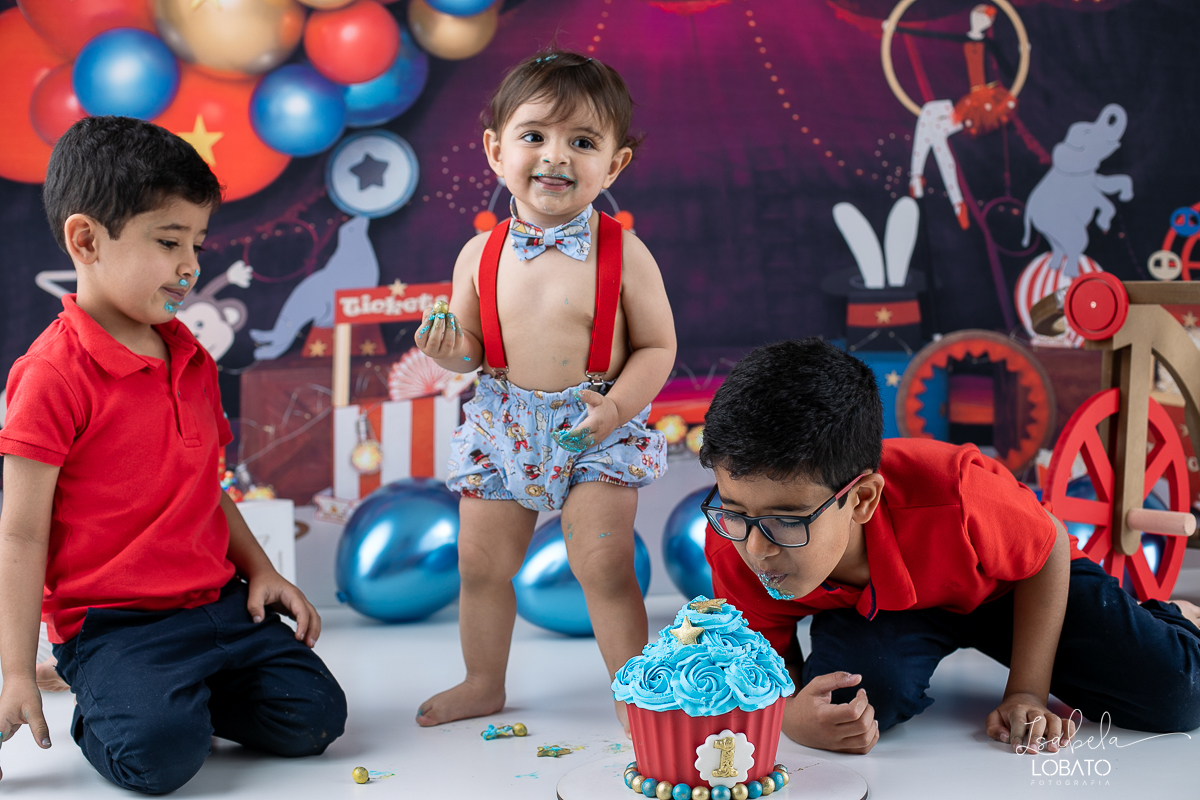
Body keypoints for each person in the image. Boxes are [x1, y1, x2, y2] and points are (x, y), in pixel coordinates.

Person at [0, 116, 346, 793]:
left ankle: (174, 695)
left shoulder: (190, 355)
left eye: (197, 242)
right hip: (115, 627)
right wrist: (14, 670)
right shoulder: (50, 376)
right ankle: (110, 693)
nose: (191, 264)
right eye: (168, 241)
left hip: (217, 605)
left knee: (314, 719)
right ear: (86, 240)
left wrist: (262, 571)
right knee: (156, 760)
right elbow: (21, 532)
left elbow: (205, 486)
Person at [700, 338, 1200, 755]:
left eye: (787, 522)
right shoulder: (737, 542)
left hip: (1013, 588)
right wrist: (788, 715)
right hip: (885, 611)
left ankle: (1173, 617)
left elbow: (1048, 550)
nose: (757, 549)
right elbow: (771, 667)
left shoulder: (955, 495)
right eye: (735, 510)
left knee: (1177, 698)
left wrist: (1027, 691)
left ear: (862, 500)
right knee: (846, 708)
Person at [413, 50, 676, 733]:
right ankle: (482, 681)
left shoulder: (625, 252)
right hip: (503, 424)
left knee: (603, 564)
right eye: (534, 136)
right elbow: (471, 350)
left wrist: (617, 408)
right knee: (481, 564)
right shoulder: (479, 254)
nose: (555, 156)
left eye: (582, 142)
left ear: (613, 165)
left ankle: (635, 695)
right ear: (496, 151)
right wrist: (448, 351)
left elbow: (657, 347)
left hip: (597, 425)